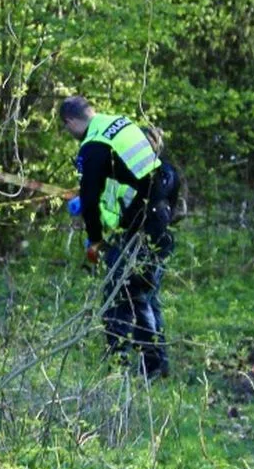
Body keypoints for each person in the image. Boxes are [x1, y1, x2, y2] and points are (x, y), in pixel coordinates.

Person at [58, 95, 178, 377]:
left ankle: (126, 367)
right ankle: (153, 366)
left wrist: (95, 240)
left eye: (66, 129)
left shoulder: (93, 145)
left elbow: (90, 197)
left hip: (143, 225)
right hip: (154, 219)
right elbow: (121, 183)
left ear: (71, 122)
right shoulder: (117, 123)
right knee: (143, 294)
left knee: (124, 294)